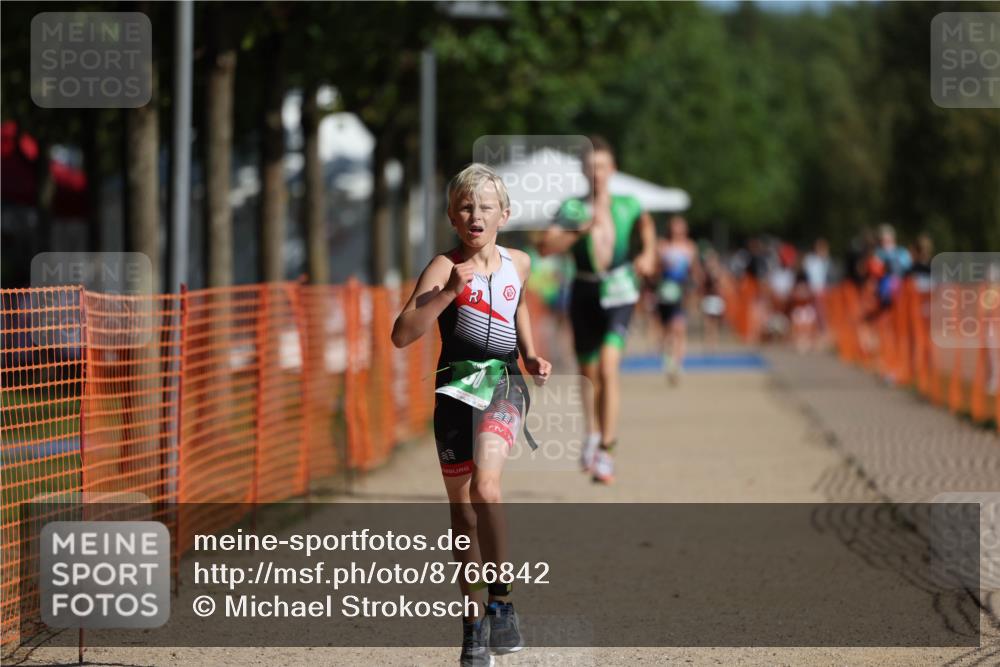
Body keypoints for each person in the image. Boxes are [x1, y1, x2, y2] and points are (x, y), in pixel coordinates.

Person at [391, 163, 551, 666]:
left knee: (487, 488)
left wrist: (528, 353)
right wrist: (448, 294)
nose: (475, 214)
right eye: (465, 206)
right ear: (451, 217)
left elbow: (519, 302)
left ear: (504, 214)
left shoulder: (518, 262)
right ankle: (473, 623)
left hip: (503, 382)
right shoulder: (444, 267)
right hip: (455, 389)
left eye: (484, 207)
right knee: (462, 510)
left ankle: (501, 601)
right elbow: (401, 333)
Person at [539, 136, 656, 484]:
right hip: (584, 292)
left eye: (603, 167)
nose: (598, 174)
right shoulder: (573, 208)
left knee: (608, 368)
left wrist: (648, 253)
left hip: (619, 291)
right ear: (583, 171)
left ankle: (607, 449)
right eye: (591, 168)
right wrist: (577, 232)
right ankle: (592, 434)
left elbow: (646, 225)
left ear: (613, 169)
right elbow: (546, 246)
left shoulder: (628, 204)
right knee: (589, 375)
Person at [655, 215, 699, 384]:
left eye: (680, 226)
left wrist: (695, 290)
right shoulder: (663, 246)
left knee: (679, 327)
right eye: (675, 226)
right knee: (667, 330)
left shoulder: (689, 247)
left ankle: (678, 364)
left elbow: (694, 271)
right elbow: (656, 270)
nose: (677, 229)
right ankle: (667, 359)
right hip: (665, 292)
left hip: (682, 292)